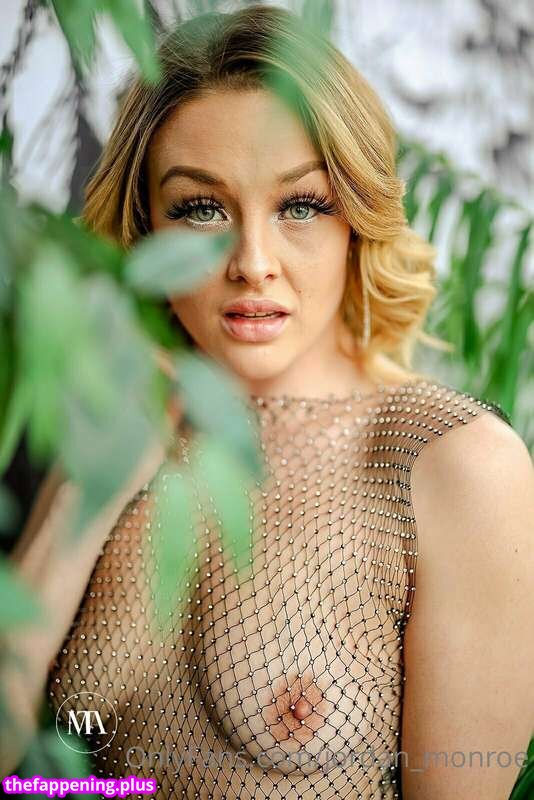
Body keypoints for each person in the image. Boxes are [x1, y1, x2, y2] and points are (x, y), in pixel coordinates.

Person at [4, 5, 534, 799]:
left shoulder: (451, 467)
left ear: (357, 218)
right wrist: (79, 498)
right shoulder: (84, 419)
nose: (252, 262)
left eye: (300, 205)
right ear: (146, 228)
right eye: (201, 208)